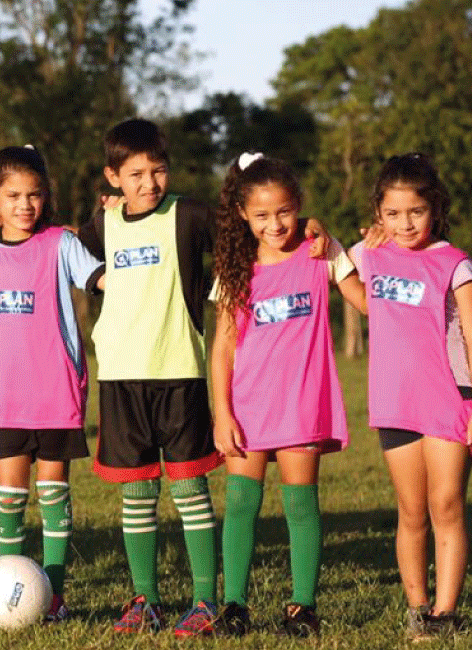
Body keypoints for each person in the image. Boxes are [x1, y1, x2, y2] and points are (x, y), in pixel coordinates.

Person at [74, 119, 329, 636]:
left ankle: (205, 599)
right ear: (113, 176)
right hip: (120, 376)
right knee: (138, 496)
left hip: (180, 371)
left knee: (190, 489)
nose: (149, 183)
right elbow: (65, 253)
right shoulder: (101, 225)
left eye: (158, 171)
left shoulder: (187, 215)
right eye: (136, 174)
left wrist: (310, 226)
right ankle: (144, 598)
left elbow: (251, 226)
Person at [208, 153, 365, 637]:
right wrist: (221, 414)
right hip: (248, 405)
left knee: (301, 506)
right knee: (239, 504)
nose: (274, 223)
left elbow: (365, 300)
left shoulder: (320, 255)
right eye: (261, 215)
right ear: (243, 215)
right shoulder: (237, 269)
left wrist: (347, 247)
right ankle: (233, 606)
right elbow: (222, 350)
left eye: (283, 212)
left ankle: (303, 609)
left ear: (297, 206)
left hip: (301, 402)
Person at [0, 145, 105, 623]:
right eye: (14, 195)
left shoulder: (61, 244)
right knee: (9, 498)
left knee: (53, 492)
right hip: (5, 397)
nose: (25, 205)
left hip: (55, 392)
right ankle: (11, 584)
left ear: (47, 198)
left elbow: (100, 278)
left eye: (35, 195)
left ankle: (54, 592)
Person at [352, 154, 472, 640]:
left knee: (447, 505)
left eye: (416, 212)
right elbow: (363, 298)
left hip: (449, 397)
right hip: (394, 401)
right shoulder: (372, 256)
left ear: (435, 209)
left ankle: (445, 613)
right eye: (394, 214)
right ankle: (417, 608)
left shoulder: (455, 262)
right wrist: (358, 244)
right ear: (379, 214)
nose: (405, 223)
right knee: (411, 510)